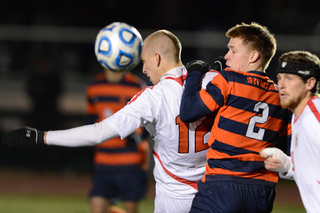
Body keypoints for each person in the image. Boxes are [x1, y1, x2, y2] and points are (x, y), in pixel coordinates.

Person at [2, 30, 216, 213]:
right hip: (213, 192)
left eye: (144, 61)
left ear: (157, 58)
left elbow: (99, 132)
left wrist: (43, 136)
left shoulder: (152, 97)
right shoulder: (212, 80)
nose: (143, 69)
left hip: (173, 198)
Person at [180, 22, 292, 212]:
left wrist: (194, 74)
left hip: (222, 184)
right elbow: (287, 148)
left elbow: (188, 112)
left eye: (232, 50)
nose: (226, 56)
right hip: (261, 191)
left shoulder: (229, 80)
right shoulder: (282, 97)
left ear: (253, 56)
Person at [260, 50, 320, 213]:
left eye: (290, 78)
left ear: (310, 83)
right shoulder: (298, 116)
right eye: (280, 78)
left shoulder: (314, 117)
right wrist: (287, 164)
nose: (282, 85)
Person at [86, 67, 150, 213]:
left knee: (131, 209)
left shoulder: (137, 86)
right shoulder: (94, 87)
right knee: (97, 206)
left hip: (130, 162)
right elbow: (90, 124)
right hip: (103, 161)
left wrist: (137, 136)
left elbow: (147, 125)